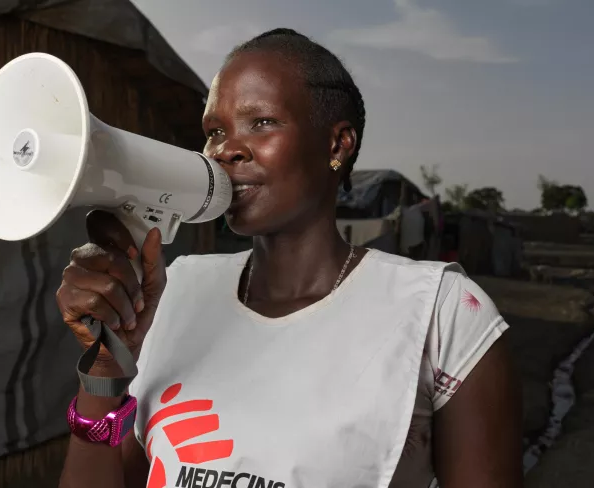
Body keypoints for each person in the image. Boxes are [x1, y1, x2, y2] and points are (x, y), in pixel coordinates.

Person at [55, 29, 523, 488]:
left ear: (338, 145)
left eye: (262, 122)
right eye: (214, 131)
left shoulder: (442, 311)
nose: (226, 150)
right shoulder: (177, 290)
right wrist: (104, 371)